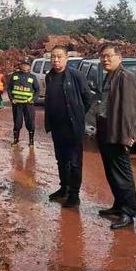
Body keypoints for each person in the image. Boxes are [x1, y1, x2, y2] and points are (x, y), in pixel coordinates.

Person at [96, 43, 136, 229]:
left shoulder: (126, 77)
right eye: (102, 57)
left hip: (119, 134)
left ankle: (128, 213)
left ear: (119, 57)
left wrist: (127, 137)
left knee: (122, 174)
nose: (105, 59)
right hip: (107, 131)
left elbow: (130, 111)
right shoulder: (110, 76)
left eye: (109, 56)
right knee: (111, 172)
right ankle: (118, 205)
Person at [45, 46, 93, 207]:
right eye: (53, 57)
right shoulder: (49, 76)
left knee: (74, 162)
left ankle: (74, 194)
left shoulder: (76, 75)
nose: (55, 60)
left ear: (66, 58)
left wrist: (78, 115)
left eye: (59, 57)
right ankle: (64, 188)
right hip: (57, 127)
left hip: (73, 127)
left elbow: (88, 98)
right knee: (61, 160)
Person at [7, 58, 40, 146]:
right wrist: (11, 99)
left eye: (27, 64)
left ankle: (31, 141)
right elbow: (9, 88)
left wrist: (33, 99)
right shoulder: (14, 75)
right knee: (17, 123)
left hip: (28, 105)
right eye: (23, 64)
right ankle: (16, 140)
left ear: (29, 66)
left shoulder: (32, 77)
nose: (25, 66)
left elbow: (37, 90)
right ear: (20, 65)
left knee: (30, 123)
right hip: (17, 104)